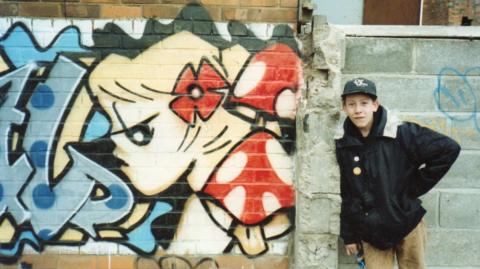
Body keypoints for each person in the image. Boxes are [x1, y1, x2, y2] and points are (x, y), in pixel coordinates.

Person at [334, 78, 461, 269]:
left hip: (407, 223)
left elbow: (449, 148)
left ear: (375, 105)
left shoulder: (402, 133)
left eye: (364, 103)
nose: (358, 110)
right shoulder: (345, 146)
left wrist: (412, 188)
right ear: (344, 108)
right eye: (351, 104)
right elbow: (348, 193)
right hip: (372, 231)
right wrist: (349, 235)